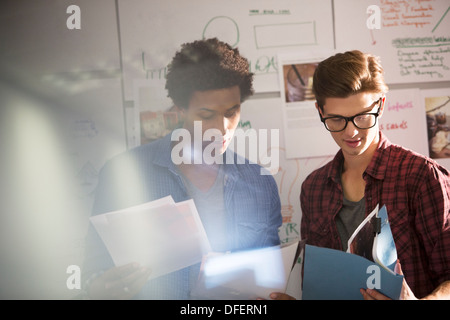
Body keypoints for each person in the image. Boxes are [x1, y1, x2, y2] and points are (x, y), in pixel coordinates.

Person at [82, 38, 282, 299]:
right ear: (180, 110)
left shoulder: (260, 182)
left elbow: (270, 278)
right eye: (207, 115)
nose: (222, 129)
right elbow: (93, 273)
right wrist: (99, 288)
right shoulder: (124, 173)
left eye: (232, 112)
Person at [272, 50, 450, 300]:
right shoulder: (313, 188)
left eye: (363, 117)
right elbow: (315, 282)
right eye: (336, 120)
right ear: (320, 111)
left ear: (381, 105)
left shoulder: (421, 176)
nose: (351, 132)